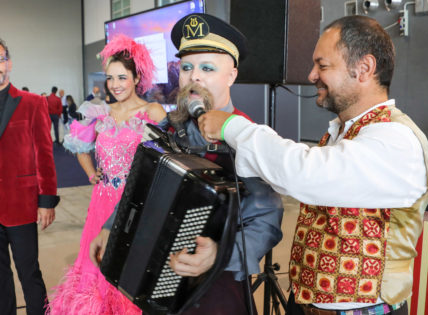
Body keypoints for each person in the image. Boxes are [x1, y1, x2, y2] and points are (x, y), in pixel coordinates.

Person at [197, 15, 428, 315]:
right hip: (306, 302)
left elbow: (304, 174)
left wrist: (234, 127)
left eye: (322, 65)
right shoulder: (344, 131)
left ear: (364, 68)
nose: (310, 75)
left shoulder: (396, 140)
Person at [90, 13, 284, 315]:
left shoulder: (247, 136)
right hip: (156, 279)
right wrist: (111, 225)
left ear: (231, 75)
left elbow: (267, 217)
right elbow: (138, 188)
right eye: (187, 67)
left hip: (216, 289)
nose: (194, 76)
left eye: (207, 68)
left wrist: (221, 255)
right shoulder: (168, 128)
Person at [47, 34, 167, 314]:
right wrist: (91, 174)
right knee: (97, 268)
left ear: (137, 78)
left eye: (122, 77)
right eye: (110, 78)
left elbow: (171, 155)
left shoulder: (152, 111)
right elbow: (79, 146)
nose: (115, 85)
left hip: (137, 205)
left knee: (131, 271)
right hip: (101, 203)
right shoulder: (98, 112)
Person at [0, 38, 59, 315]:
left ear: (8, 63)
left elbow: (45, 155)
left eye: (0, 59)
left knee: (29, 272)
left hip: (21, 203)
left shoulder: (33, 103)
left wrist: (46, 201)